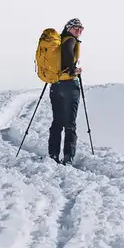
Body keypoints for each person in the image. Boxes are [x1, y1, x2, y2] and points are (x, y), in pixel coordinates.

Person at [48, 18, 83, 164]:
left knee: (57, 121)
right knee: (70, 123)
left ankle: (53, 155)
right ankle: (68, 157)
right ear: (69, 28)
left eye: (81, 28)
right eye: (76, 28)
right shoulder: (70, 40)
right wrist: (73, 69)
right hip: (69, 85)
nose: (79, 31)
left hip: (56, 85)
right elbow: (68, 54)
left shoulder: (58, 42)